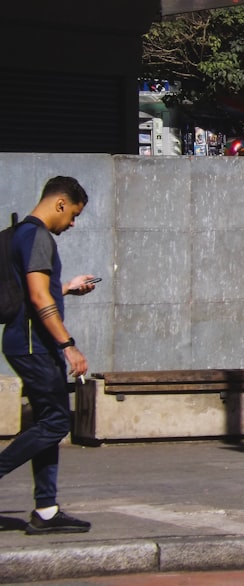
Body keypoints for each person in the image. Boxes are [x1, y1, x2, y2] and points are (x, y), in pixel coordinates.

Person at [0, 176, 97, 534]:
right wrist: (68, 345)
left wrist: (67, 288)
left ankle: (46, 510)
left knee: (48, 422)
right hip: (34, 344)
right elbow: (39, 299)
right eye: (73, 215)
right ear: (60, 203)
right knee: (56, 422)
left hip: (25, 340)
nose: (72, 224)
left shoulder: (21, 233)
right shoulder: (38, 236)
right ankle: (44, 507)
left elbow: (34, 291)